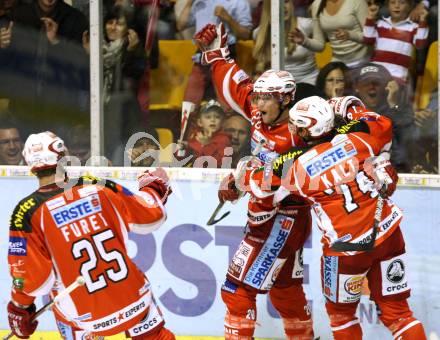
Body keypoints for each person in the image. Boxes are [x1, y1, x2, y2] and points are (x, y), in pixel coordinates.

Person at [244, 95, 426, 340]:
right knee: (399, 313)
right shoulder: (360, 137)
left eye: (296, 125)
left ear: (305, 130)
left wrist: (238, 177)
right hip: (388, 232)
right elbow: (380, 122)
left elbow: (257, 184)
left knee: (342, 315)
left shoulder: (297, 167)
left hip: (346, 249)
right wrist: (348, 107)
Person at [195, 23, 314, 339]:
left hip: (285, 218)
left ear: (286, 100)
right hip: (271, 215)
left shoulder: (302, 134)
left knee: (235, 290)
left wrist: (240, 179)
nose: (257, 105)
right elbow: (234, 85)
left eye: (266, 99)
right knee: (286, 290)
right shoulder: (261, 111)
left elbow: (282, 178)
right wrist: (216, 52)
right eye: (258, 98)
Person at [7, 131, 175, 340]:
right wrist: (154, 188)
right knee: (155, 335)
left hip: (85, 318)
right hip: (134, 301)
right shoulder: (96, 185)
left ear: (28, 163)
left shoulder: (26, 212)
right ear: (63, 155)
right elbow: (151, 216)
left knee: (62, 304)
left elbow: (35, 281)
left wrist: (19, 307)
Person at [0, 0, 90, 136]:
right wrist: (3, 46)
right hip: (23, 105)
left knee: (59, 152)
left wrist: (56, 43)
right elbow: (7, 65)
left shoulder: (75, 19)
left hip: (62, 106)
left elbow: (82, 64)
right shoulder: (17, 17)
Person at [176, 0, 253, 123]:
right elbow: (180, 25)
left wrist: (228, 18)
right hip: (202, 54)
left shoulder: (239, 3)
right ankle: (187, 138)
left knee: (226, 105)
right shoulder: (200, 2)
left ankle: (227, 139)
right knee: (189, 105)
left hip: (225, 54)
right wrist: (190, 2)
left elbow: (245, 34)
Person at [352, 62, 415, 172]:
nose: (372, 87)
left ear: (386, 87)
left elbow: (409, 141)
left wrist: (393, 103)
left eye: (377, 83)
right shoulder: (348, 112)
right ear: (357, 87)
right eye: (366, 82)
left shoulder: (398, 109)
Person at [362, 0, 429, 84]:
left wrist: (422, 20)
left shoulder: (413, 28)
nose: (397, 6)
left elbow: (420, 44)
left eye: (402, 2)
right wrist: (370, 17)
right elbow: (367, 40)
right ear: (388, 6)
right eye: (393, 2)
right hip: (376, 73)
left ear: (409, 6)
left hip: (397, 77)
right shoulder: (380, 24)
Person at [252, 0, 319, 84]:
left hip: (307, 82)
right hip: (279, 85)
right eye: (278, 4)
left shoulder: (307, 25)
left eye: (286, 1)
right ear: (269, 8)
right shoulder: (258, 33)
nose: (283, 7)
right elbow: (261, 65)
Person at [290, 0, 369, 67]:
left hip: (362, 60)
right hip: (338, 63)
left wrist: (350, 35)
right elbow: (320, 46)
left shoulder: (357, 2)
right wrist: (304, 41)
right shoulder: (317, 4)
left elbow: (370, 37)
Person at [178, 99, 231, 167]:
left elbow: (221, 163)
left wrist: (207, 145)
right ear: (200, 122)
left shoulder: (224, 140)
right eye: (208, 117)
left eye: (217, 117)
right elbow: (181, 161)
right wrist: (182, 149)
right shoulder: (195, 137)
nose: (212, 120)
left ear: (223, 122)